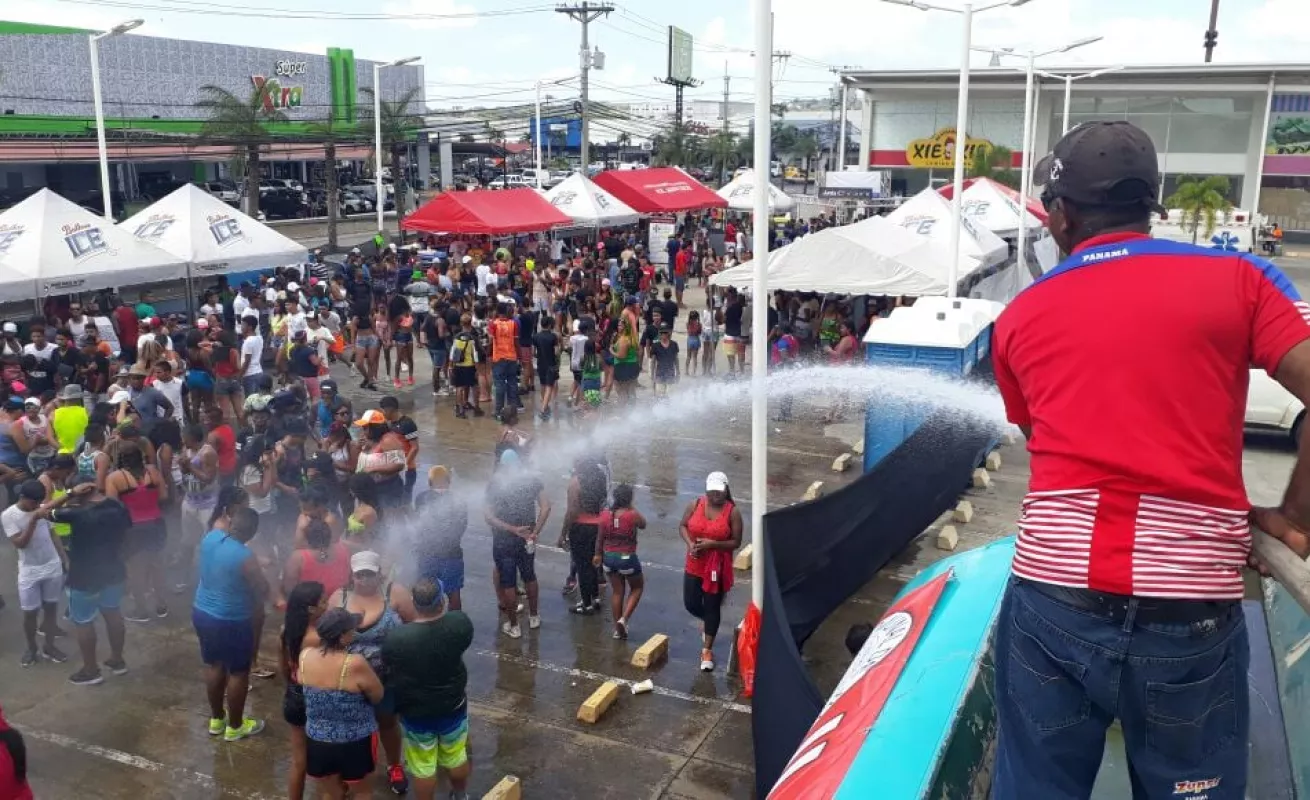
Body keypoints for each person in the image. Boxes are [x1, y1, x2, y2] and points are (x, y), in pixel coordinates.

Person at [987, 120, 1310, 799]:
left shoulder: (1021, 315)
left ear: (1064, 216)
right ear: (1149, 207)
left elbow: (1050, 442)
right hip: (1188, 609)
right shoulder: (1241, 279)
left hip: (1055, 604)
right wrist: (1293, 511)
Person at [328, 550, 416, 796]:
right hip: (349, 679)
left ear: (380, 575)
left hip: (387, 677)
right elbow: (327, 635)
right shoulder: (339, 598)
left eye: (369, 574)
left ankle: (395, 766)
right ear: (352, 576)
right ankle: (351, 770)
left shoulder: (395, 594)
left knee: (388, 722)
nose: (364, 580)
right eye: (359, 575)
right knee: (351, 726)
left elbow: (414, 625)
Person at [382, 577, 475, 800]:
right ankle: (460, 795)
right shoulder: (459, 623)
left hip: (416, 712)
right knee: (456, 756)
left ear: (414, 603)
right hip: (452, 704)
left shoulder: (398, 638)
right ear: (442, 601)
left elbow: (388, 663)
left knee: (423, 767)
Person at [192, 505, 268, 741]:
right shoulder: (245, 556)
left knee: (214, 665)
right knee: (237, 671)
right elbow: (261, 588)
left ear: (231, 522)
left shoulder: (211, 537)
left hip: (202, 611)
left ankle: (217, 719)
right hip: (231, 619)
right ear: (252, 533)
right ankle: (235, 726)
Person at [48, 475, 133, 685]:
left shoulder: (76, 513)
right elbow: (128, 535)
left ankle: (91, 669)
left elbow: (42, 511)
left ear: (81, 491)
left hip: (84, 574)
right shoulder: (117, 506)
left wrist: (69, 494)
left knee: (83, 621)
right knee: (113, 612)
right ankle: (117, 660)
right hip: (114, 568)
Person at [300, 606, 384, 798]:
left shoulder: (304, 656)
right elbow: (378, 695)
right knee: (362, 792)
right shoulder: (354, 663)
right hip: (355, 742)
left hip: (318, 741)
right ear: (342, 637)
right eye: (350, 629)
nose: (354, 632)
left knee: (331, 792)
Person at [679, 471, 742, 672]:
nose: (716, 495)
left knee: (713, 606)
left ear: (726, 490)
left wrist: (713, 544)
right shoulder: (695, 504)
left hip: (716, 566)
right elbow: (682, 526)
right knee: (691, 603)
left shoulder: (732, 512)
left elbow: (736, 542)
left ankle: (707, 649)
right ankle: (709, 625)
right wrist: (690, 544)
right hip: (694, 563)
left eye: (720, 491)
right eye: (712, 490)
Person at [3, 480, 68, 667]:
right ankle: (31, 648)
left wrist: (64, 558)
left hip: (51, 565)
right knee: (30, 613)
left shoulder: (41, 509)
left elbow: (53, 534)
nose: (36, 506)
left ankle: (49, 646)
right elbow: (20, 543)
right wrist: (33, 520)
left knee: (51, 609)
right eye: (34, 502)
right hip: (29, 570)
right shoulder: (9, 516)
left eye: (39, 502)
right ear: (22, 497)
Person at [484, 449, 549, 638]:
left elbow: (488, 516)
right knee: (529, 576)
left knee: (508, 583)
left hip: (504, 540)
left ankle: (514, 626)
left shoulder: (496, 483)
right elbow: (546, 506)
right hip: (527, 537)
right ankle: (534, 616)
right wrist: (535, 531)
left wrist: (511, 528)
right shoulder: (530, 479)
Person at [106, 442, 170, 623]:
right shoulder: (152, 472)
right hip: (156, 524)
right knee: (156, 565)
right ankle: (161, 605)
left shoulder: (115, 478)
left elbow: (112, 506)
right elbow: (164, 496)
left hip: (132, 528)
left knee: (136, 570)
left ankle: (141, 610)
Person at [280, 580, 327, 800]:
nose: (327, 603)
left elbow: (283, 666)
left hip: (294, 694)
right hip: (314, 699)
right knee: (324, 760)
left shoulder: (287, 630)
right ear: (311, 609)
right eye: (323, 600)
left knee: (299, 760)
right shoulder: (316, 639)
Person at [414, 466, 469, 611]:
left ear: (430, 482)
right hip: (452, 554)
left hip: (427, 553)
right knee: (454, 592)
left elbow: (418, 524)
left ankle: (427, 622)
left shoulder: (421, 498)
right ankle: (455, 624)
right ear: (449, 481)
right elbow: (462, 526)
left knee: (425, 592)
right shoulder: (459, 500)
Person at [597, 483, 646, 640]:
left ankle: (617, 629)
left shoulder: (605, 515)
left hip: (609, 558)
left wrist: (597, 554)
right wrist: (632, 507)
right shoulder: (632, 514)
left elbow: (599, 538)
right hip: (626, 558)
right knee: (637, 587)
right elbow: (643, 524)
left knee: (617, 592)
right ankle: (624, 619)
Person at [560, 455, 607, 615]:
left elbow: (572, 511)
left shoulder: (575, 482)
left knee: (582, 566)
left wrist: (563, 533)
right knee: (594, 564)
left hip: (581, 528)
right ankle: (595, 598)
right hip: (598, 526)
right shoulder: (600, 478)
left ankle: (586, 604)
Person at [176, 423, 220, 588]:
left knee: (209, 543)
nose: (182, 439)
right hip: (190, 501)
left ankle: (211, 580)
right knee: (187, 542)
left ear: (192, 438)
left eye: (184, 436)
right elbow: (185, 472)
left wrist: (190, 467)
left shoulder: (208, 453)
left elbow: (208, 478)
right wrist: (183, 466)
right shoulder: (186, 449)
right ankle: (185, 578)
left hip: (207, 504)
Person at [285, 517, 350, 601]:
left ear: (307, 538)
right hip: (341, 600)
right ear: (329, 535)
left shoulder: (298, 557)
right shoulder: (343, 548)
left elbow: (289, 588)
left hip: (312, 605)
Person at [353, 409, 407, 511]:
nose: (363, 431)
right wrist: (360, 447)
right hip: (372, 487)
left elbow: (400, 464)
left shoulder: (388, 440)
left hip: (387, 487)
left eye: (365, 428)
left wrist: (374, 469)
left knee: (389, 517)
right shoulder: (370, 439)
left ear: (375, 428)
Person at [380, 396, 420, 503]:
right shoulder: (389, 424)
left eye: (383, 410)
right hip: (396, 469)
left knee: (405, 502)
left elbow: (415, 447)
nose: (382, 413)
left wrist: (404, 466)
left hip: (407, 470)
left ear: (389, 409)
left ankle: (413, 519)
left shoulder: (408, 424)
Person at [487, 304, 520, 420]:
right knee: (512, 384)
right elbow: (516, 342)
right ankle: (512, 410)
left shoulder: (493, 324)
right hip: (511, 357)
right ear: (507, 311)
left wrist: (488, 355)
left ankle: (499, 411)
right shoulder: (513, 323)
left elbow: (491, 341)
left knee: (499, 385)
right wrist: (519, 356)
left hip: (498, 358)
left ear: (497, 311)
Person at [531, 315, 561, 421]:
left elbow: (533, 352)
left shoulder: (535, 336)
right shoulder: (553, 337)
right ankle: (543, 409)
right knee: (549, 386)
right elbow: (557, 352)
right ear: (549, 325)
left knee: (543, 385)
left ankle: (545, 405)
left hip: (540, 364)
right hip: (551, 364)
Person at [50, 383, 89, 455]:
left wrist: (62, 449)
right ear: (80, 397)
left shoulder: (53, 414)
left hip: (62, 454)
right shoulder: (87, 412)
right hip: (82, 452)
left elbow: (50, 438)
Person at [650, 324, 680, 398]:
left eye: (665, 333)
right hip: (659, 373)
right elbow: (653, 361)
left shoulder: (674, 344)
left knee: (671, 396)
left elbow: (676, 359)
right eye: (662, 333)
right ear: (659, 334)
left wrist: (678, 372)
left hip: (671, 373)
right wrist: (652, 374)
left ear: (668, 333)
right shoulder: (655, 346)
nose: (663, 335)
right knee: (660, 396)